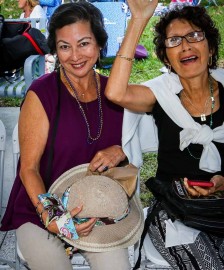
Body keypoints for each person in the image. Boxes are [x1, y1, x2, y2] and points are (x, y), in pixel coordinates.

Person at [0, 2, 143, 270]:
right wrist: (53, 216)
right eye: (65, 46)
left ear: (100, 45)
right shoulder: (42, 94)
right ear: (56, 50)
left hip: (98, 208)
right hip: (41, 207)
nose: (75, 55)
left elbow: (144, 133)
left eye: (84, 43)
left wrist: (121, 150)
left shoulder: (115, 93)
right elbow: (28, 169)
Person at [105, 0, 224, 269]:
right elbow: (115, 92)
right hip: (176, 213)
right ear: (166, 57)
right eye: (174, 41)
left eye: (194, 36)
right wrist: (138, 20)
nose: (185, 46)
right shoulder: (160, 95)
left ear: (210, 47)